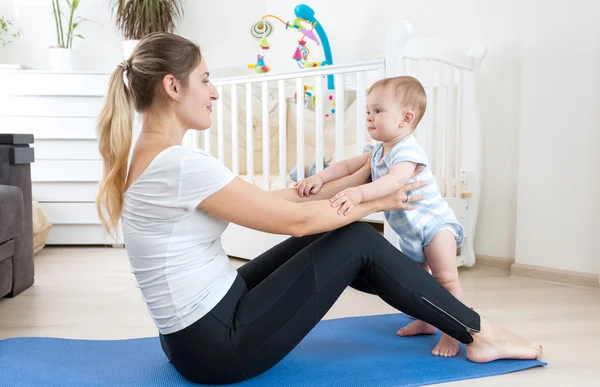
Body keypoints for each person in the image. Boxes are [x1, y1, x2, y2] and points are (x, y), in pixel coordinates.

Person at [95, 32, 542, 385]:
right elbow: (294, 221)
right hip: (215, 348)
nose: (214, 93)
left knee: (339, 234)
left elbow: (272, 203)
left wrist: (334, 185)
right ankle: (479, 333)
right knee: (358, 239)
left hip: (195, 335)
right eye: (206, 79)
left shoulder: (153, 157)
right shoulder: (178, 165)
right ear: (173, 87)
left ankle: (439, 315)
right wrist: (380, 198)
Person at [294, 76, 466, 357]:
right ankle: (426, 321)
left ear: (406, 118)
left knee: (446, 280)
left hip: (435, 227)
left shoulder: (407, 150)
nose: (369, 118)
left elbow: (395, 182)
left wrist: (359, 194)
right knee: (417, 282)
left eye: (378, 111)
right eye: (367, 112)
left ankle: (453, 333)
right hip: (411, 232)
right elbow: (347, 166)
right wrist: (320, 177)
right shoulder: (376, 151)